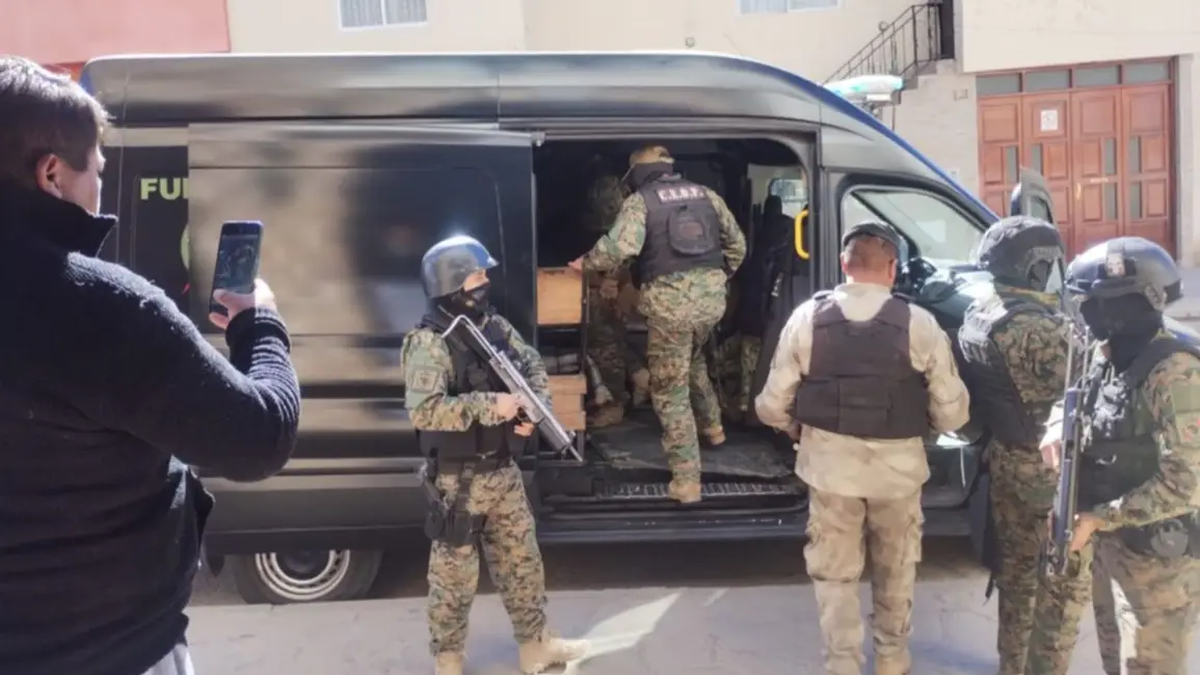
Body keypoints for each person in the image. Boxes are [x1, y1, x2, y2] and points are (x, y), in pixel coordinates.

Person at [0, 56, 302, 675]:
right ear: (52, 173)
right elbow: (259, 436)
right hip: (110, 652)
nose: (99, 190)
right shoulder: (98, 307)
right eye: (98, 171)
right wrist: (259, 323)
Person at [755, 221, 970, 675]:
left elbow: (771, 406)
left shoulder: (807, 318)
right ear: (892, 268)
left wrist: (797, 429)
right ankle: (891, 659)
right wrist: (926, 426)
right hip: (898, 474)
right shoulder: (919, 323)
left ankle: (843, 663)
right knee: (896, 567)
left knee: (835, 575)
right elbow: (953, 413)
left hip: (830, 470)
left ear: (843, 264)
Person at [402, 235, 589, 675]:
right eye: (477, 275)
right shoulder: (428, 342)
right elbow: (425, 411)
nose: (486, 281)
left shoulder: (494, 326)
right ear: (452, 283)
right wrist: (493, 406)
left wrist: (531, 412)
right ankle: (448, 660)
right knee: (453, 579)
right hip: (458, 482)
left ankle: (536, 646)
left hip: (503, 471)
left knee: (523, 564)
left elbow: (532, 365)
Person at [1030, 236, 1200, 675]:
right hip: (1111, 542)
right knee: (1115, 658)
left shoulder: (1176, 372)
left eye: (1091, 303)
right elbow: (1076, 399)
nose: (1084, 312)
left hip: (1158, 564)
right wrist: (1056, 428)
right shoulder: (1108, 353)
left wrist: (1101, 517)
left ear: (1119, 305)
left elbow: (1187, 482)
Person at [568, 144, 747, 503]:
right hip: (711, 305)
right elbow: (738, 247)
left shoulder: (641, 202)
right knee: (692, 360)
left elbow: (618, 249)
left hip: (671, 311)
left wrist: (584, 264)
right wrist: (712, 282)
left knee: (669, 389)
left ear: (637, 174)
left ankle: (686, 480)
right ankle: (713, 427)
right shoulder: (707, 196)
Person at [954, 216, 1085, 675]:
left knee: (1015, 578)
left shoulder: (979, 313)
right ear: (1034, 267)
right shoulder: (1039, 328)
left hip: (1005, 459)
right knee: (1061, 588)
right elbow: (1092, 383)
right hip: (1046, 469)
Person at [729, 196, 801, 424]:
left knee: (748, 365)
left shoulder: (763, 244)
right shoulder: (788, 243)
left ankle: (746, 409)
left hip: (754, 319)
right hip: (766, 321)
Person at [581, 174, 637, 427]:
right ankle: (615, 396)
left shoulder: (628, 229)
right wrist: (599, 283)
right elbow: (574, 268)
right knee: (602, 329)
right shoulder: (586, 231)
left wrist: (620, 283)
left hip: (623, 296)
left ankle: (617, 399)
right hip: (586, 294)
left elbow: (626, 266)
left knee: (608, 333)